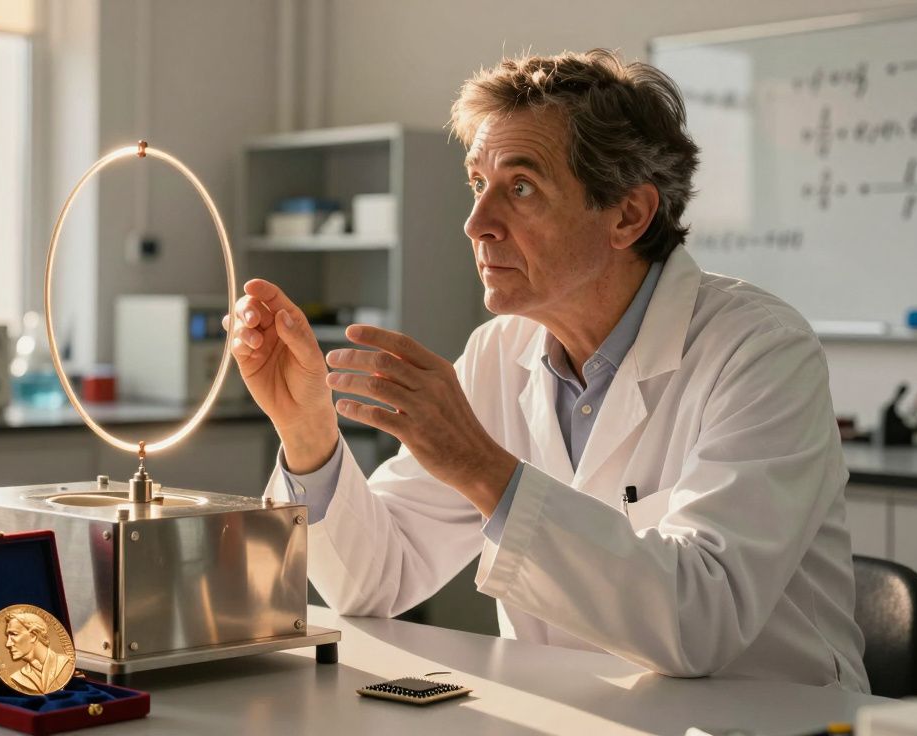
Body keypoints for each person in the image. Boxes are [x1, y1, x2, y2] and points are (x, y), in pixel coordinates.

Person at [227, 49, 868, 691]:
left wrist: (483, 467)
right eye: (478, 183)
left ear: (627, 215)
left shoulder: (759, 351)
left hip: (767, 719)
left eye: (522, 187)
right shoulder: (498, 354)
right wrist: (306, 429)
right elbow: (375, 581)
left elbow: (699, 619)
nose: (477, 223)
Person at [4, 610, 72, 694]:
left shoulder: (65, 662)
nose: (8, 644)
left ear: (33, 636)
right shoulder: (16, 677)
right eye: (8, 636)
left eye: (14, 634)